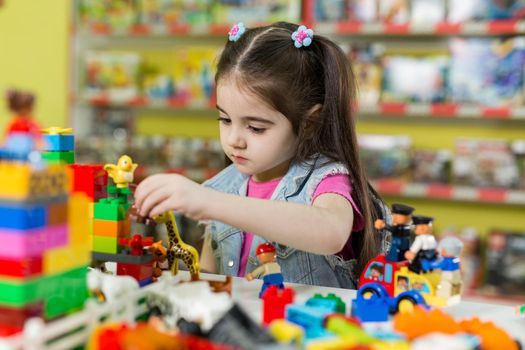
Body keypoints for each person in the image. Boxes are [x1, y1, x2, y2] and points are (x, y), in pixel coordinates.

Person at [134, 22, 387, 289]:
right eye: (224, 119)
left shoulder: (326, 179)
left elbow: (331, 231)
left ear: (310, 122)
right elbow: (209, 277)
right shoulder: (222, 187)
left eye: (256, 128)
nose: (234, 140)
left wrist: (208, 202)